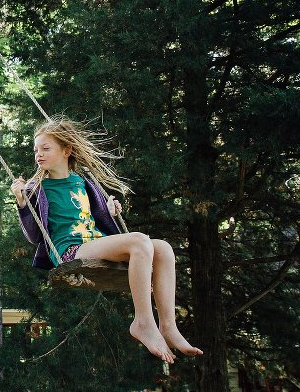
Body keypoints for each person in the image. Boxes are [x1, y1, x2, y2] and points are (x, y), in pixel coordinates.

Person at [10, 116, 203, 363]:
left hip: (95, 241)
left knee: (163, 248)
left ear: (66, 150)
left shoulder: (83, 182)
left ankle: (168, 326)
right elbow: (34, 235)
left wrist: (109, 208)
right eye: (36, 150)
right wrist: (22, 203)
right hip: (71, 251)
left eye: (46, 148)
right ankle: (143, 322)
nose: (39, 155)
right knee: (139, 241)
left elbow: (97, 216)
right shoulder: (36, 188)